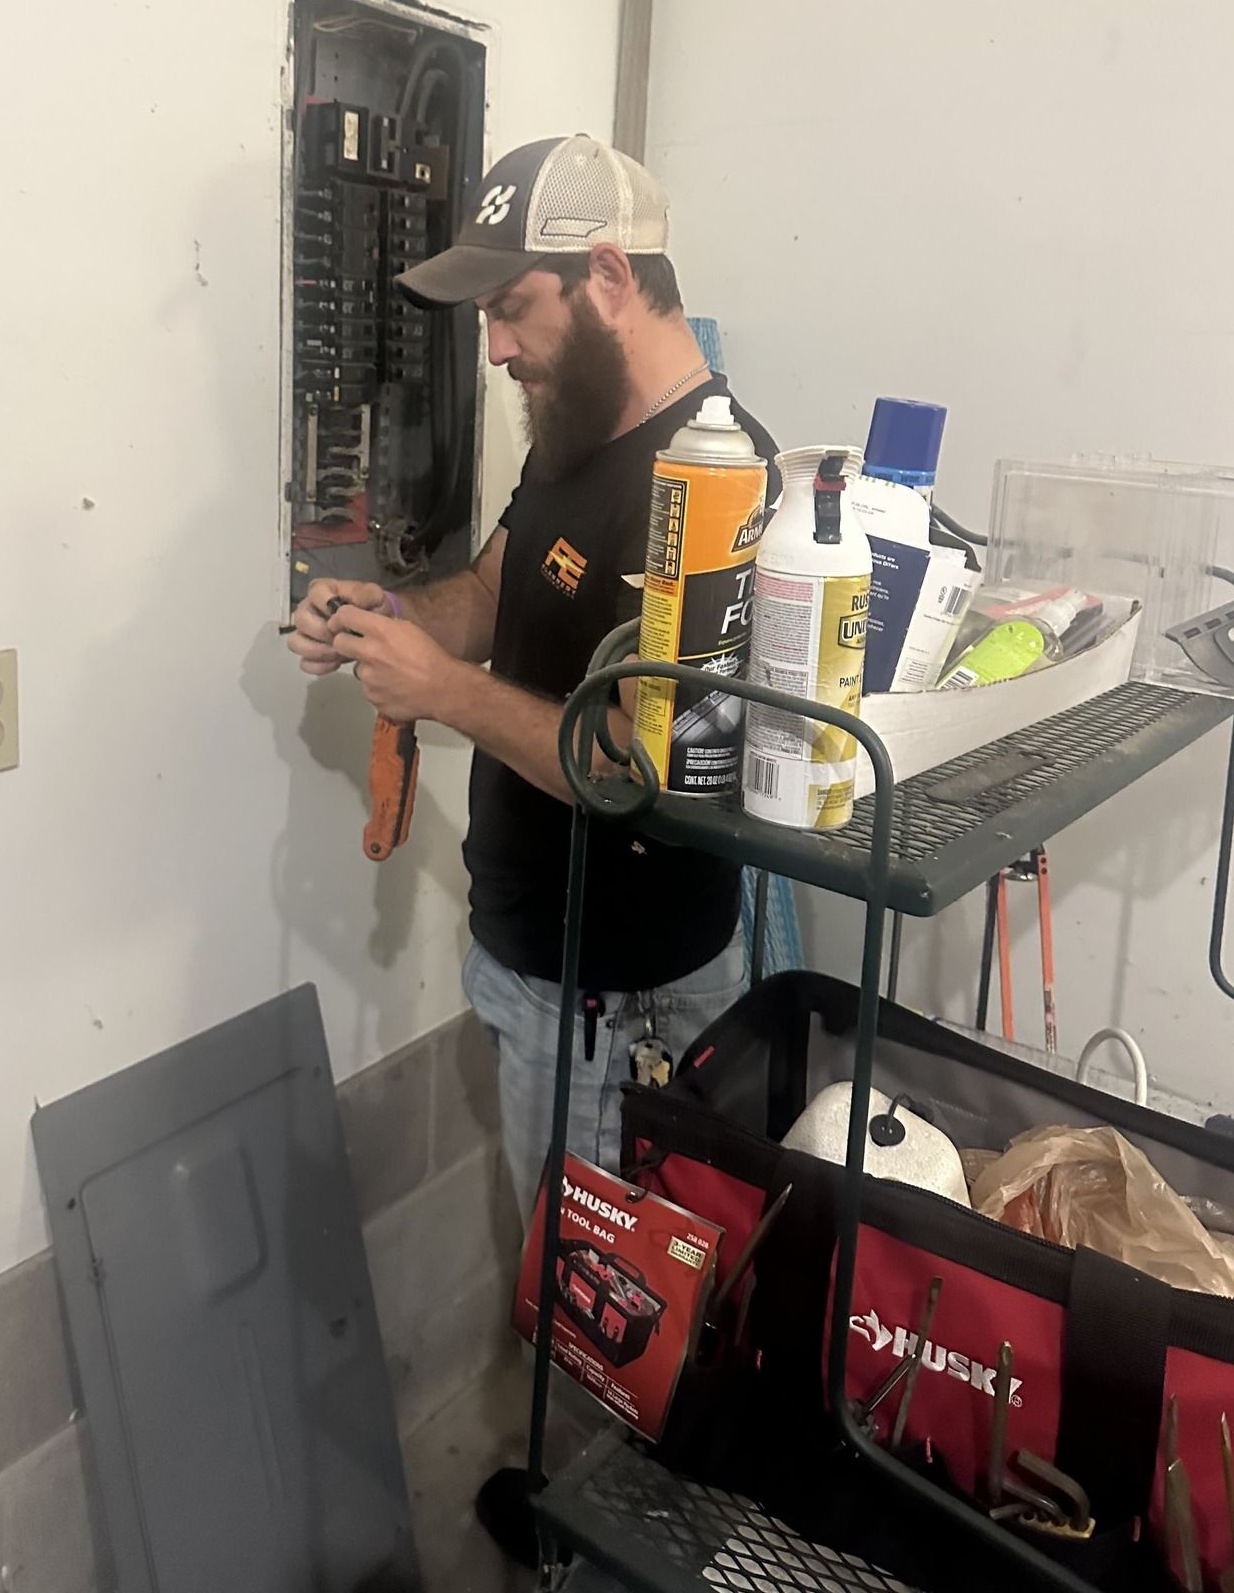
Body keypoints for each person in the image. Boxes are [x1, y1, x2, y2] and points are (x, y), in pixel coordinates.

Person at [286, 136, 777, 1555]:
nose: (495, 348)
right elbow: (498, 596)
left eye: (516, 311)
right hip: (538, 972)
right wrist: (382, 620)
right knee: (573, 1280)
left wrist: (442, 700)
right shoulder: (575, 435)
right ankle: (592, 1504)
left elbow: (645, 763)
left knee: (624, 1305)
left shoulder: (710, 484)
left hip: (629, 993)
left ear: (609, 277)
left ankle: (616, 1541)